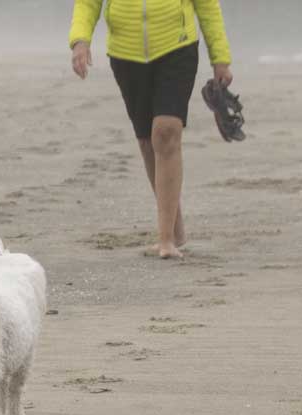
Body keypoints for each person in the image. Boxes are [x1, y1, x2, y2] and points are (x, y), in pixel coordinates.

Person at [69, 0, 234, 258]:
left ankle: (165, 240)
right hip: (126, 53)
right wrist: (80, 40)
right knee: (147, 141)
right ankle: (174, 227)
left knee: (166, 132)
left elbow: (207, 4)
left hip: (177, 46)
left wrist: (220, 57)